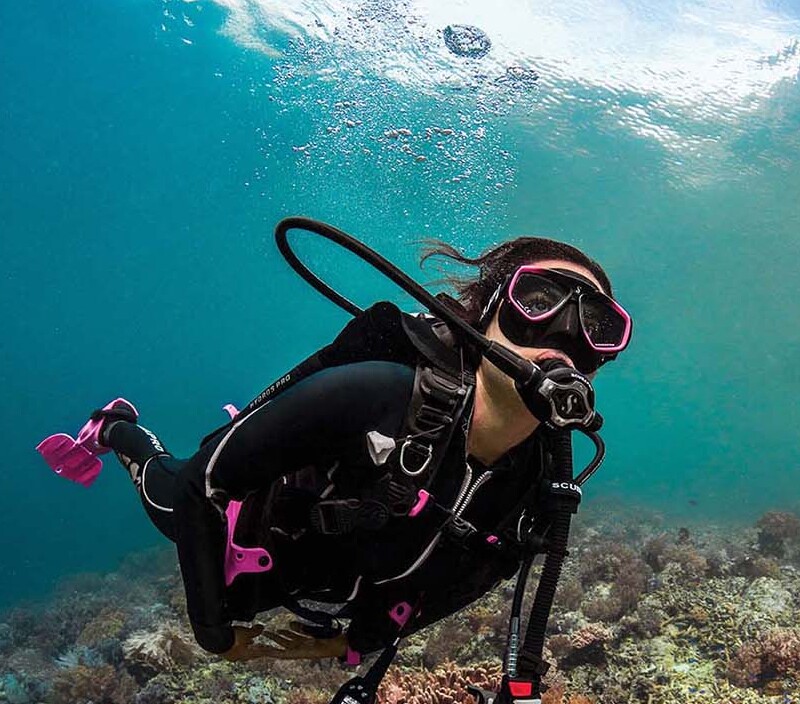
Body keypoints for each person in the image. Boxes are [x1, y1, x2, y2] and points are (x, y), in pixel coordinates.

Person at [37, 235, 631, 669]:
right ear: (487, 313)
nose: (563, 333)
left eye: (597, 324)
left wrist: (356, 641)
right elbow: (203, 490)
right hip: (244, 537)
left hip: (331, 589)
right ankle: (117, 427)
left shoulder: (541, 480)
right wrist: (215, 633)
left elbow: (474, 576)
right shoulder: (378, 394)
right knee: (165, 493)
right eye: (540, 298)